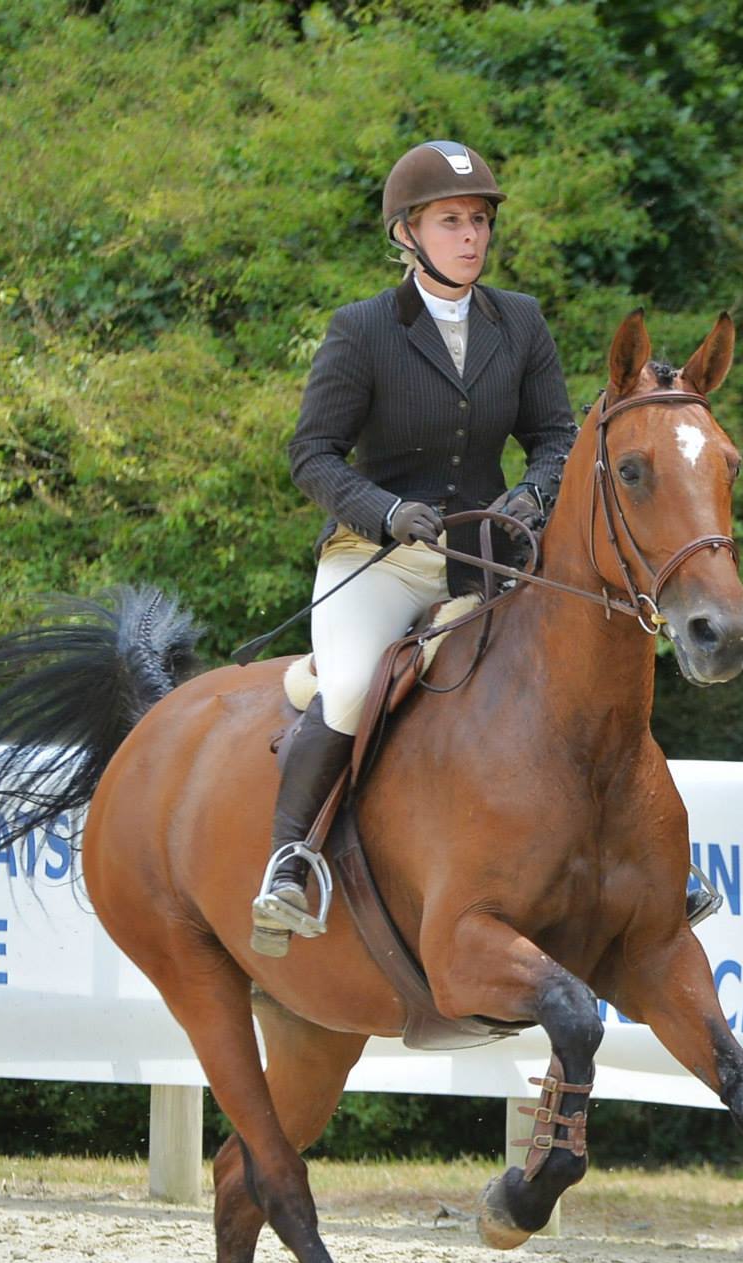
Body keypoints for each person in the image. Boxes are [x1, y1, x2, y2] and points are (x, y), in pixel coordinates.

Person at [251, 139, 579, 949]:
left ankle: (640, 856)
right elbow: (312, 453)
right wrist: (386, 509)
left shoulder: (521, 321)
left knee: (581, 664)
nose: (470, 237)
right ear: (407, 232)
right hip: (381, 559)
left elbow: (556, 436)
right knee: (351, 686)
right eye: (450, 221)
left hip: (487, 555)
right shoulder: (363, 329)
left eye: (479, 221)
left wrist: (533, 495)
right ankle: (288, 861)